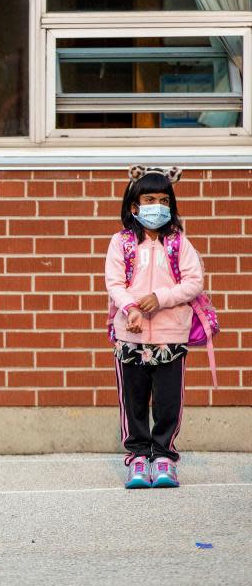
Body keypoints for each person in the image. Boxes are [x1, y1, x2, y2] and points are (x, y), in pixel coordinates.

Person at [105, 166, 203, 489]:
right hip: (129, 339)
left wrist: (159, 298)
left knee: (168, 401)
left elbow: (194, 283)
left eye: (163, 199)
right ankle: (136, 458)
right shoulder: (121, 244)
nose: (156, 206)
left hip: (170, 339)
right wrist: (131, 307)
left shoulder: (178, 244)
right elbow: (114, 283)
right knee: (133, 402)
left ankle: (163, 456)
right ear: (134, 205)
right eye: (149, 199)